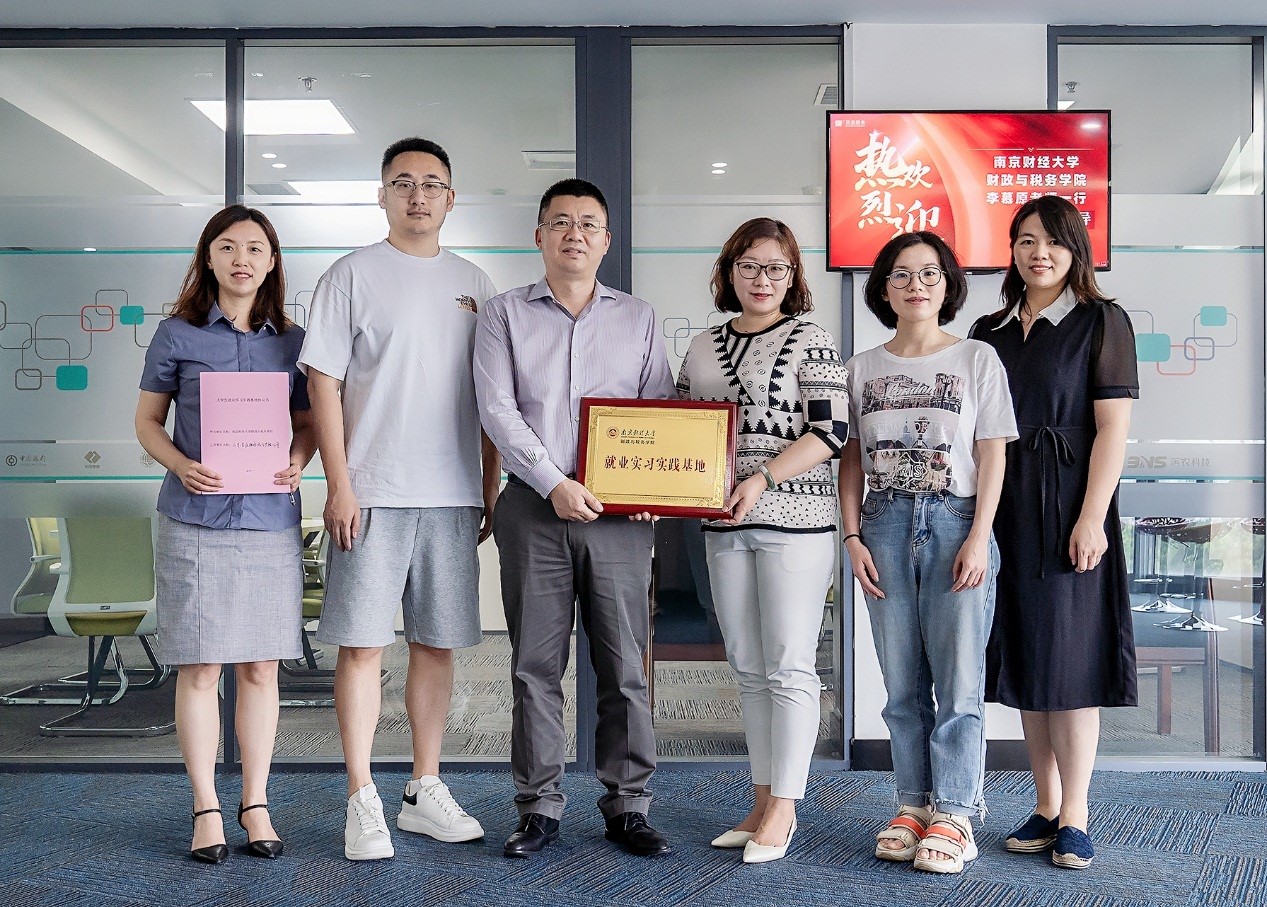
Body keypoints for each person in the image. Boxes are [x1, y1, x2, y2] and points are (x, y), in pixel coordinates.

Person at [298, 137, 501, 861]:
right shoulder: (351, 275)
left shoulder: (475, 283)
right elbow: (322, 383)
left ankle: (423, 787)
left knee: (436, 644)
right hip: (372, 492)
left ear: (451, 198)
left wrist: (487, 486)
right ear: (381, 194)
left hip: (450, 493)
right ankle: (361, 797)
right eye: (403, 182)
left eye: (432, 183)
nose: (418, 195)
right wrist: (338, 483)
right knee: (360, 645)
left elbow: (490, 396)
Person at [474, 178, 676, 859]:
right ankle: (538, 807)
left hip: (619, 517)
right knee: (535, 665)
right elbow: (497, 410)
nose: (575, 234)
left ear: (606, 240)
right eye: (560, 222)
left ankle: (629, 804)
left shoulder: (638, 318)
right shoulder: (503, 314)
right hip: (533, 508)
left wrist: (652, 484)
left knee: (623, 665)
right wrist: (554, 481)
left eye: (588, 223)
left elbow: (658, 405)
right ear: (539, 235)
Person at [136, 204, 316, 864]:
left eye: (255, 248)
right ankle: (206, 805)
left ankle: (256, 802)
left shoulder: (292, 343)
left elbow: (308, 424)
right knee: (201, 665)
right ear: (208, 257)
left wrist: (298, 460)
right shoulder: (176, 334)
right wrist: (180, 463)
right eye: (228, 247)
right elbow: (148, 422)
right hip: (194, 520)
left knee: (262, 666)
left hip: (268, 522)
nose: (242, 258)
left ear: (271, 263)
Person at [840, 231, 1017, 875]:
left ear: (948, 285)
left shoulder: (977, 359)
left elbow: (992, 454)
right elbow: (850, 458)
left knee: (959, 681)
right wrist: (852, 535)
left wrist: (979, 536)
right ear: (883, 289)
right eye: (901, 274)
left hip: (955, 519)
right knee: (901, 684)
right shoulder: (861, 368)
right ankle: (912, 805)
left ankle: (956, 813)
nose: (915, 285)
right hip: (884, 523)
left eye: (929, 273)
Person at [970, 195, 1138, 870]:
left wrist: (1091, 515)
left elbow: (1112, 429)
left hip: (1069, 502)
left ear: (1076, 250)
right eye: (1025, 241)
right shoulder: (989, 329)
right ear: (1010, 249)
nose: (1038, 253)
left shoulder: (1102, 320)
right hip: (1004, 504)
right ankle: (1044, 805)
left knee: (1069, 663)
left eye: (1053, 241)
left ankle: (1076, 813)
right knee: (1028, 658)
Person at [677, 218, 849, 864]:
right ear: (728, 272)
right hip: (722, 523)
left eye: (776, 268)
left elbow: (831, 432)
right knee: (747, 665)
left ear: (792, 276)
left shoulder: (811, 339)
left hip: (795, 521)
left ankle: (785, 805)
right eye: (748, 265)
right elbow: (679, 429)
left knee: (788, 664)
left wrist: (763, 477)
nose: (761, 279)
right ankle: (759, 798)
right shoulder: (701, 346)